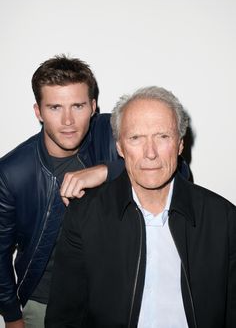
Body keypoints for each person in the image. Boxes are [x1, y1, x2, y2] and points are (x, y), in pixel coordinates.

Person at [45, 86, 236, 328]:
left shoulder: (224, 219)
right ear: (120, 148)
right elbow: (64, 317)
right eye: (136, 138)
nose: (150, 153)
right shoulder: (85, 216)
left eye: (162, 137)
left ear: (179, 144)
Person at [0, 55, 123, 328]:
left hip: (114, 296)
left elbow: (175, 172)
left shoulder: (111, 133)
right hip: (45, 303)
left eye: (77, 106)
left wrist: (106, 170)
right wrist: (12, 316)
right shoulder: (12, 173)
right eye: (55, 107)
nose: (68, 120)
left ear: (93, 106)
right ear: (38, 112)